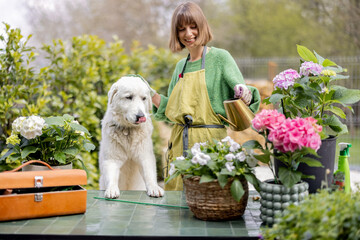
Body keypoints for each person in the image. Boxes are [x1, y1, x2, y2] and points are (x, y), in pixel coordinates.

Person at [147, 1, 260, 190]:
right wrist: (148, 93)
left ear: (202, 26)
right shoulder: (180, 67)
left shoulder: (220, 58)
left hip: (210, 145)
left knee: (208, 201)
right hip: (178, 146)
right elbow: (171, 110)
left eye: (193, 27)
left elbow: (242, 90)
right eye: (181, 29)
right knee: (177, 208)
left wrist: (244, 91)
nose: (188, 34)